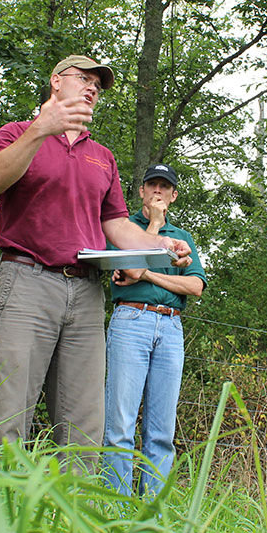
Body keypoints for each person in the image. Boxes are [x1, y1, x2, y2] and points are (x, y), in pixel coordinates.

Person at [0, 55, 191, 466]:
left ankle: (72, 524)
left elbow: (116, 227)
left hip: (86, 294)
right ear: (56, 82)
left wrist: (164, 247)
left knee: (83, 424)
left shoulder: (103, 157)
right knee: (11, 410)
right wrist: (42, 128)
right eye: (84, 79)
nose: (93, 88)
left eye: (98, 84)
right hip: (27, 281)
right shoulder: (17, 134)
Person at [102, 163, 205, 496]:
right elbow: (129, 262)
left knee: (162, 430)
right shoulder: (123, 228)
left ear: (173, 196)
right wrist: (156, 225)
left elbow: (195, 286)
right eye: (152, 185)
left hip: (171, 327)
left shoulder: (182, 239)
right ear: (142, 191)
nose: (158, 191)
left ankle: (152, 513)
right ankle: (114, 507)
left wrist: (146, 276)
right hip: (131, 321)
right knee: (120, 425)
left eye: (165, 186)